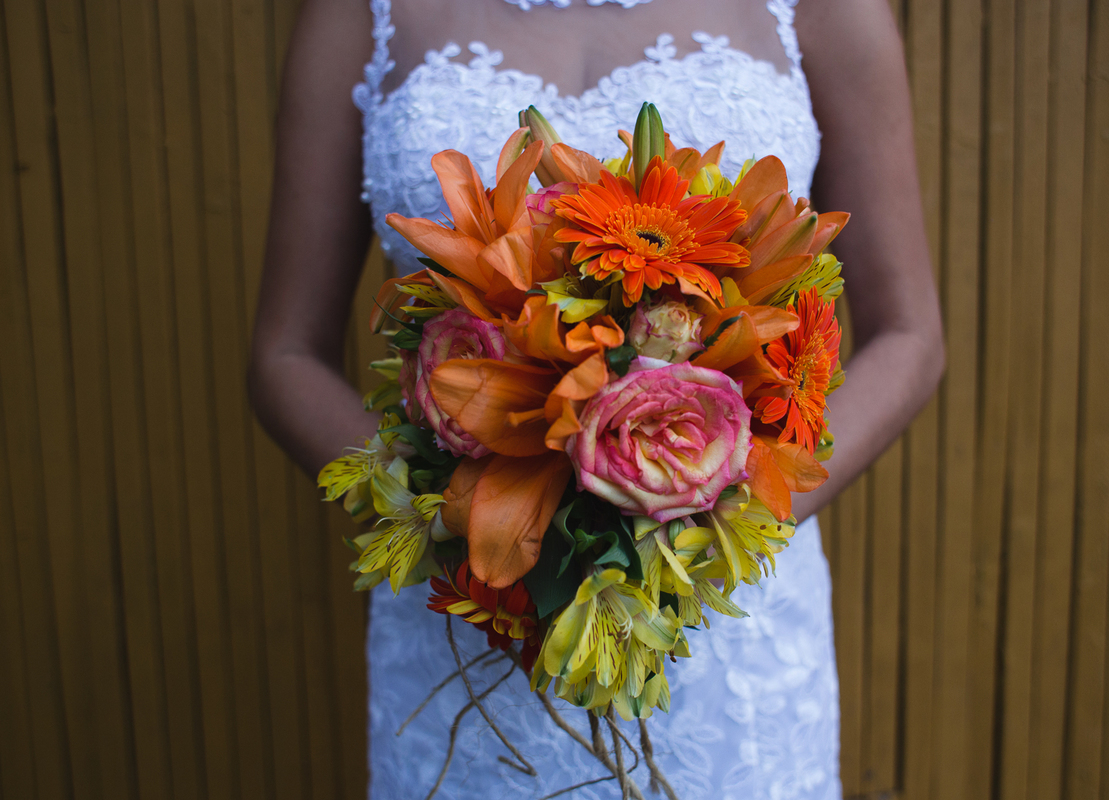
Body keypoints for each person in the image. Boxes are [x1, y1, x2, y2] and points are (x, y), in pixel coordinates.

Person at [249, 0, 944, 797]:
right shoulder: (356, 13)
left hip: (725, 622)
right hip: (475, 616)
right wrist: (448, 525)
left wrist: (708, 523)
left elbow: (910, 337)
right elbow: (285, 355)